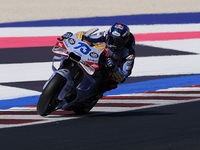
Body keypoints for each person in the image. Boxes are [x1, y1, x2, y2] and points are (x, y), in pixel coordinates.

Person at [62, 22, 135, 93]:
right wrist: (72, 38)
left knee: (109, 84)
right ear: (108, 36)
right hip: (96, 56)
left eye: (118, 42)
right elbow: (87, 37)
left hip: (110, 66)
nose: (114, 44)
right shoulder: (105, 34)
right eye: (112, 40)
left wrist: (113, 67)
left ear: (125, 41)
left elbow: (123, 77)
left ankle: (90, 93)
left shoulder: (129, 53)